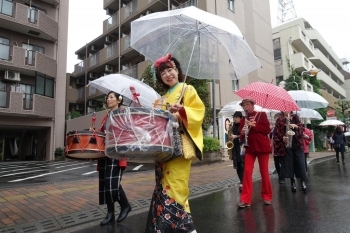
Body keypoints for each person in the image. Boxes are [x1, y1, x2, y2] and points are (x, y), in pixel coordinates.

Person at [146, 54, 205, 232]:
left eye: (170, 70)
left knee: (176, 185)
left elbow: (198, 112)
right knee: (162, 185)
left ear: (177, 71)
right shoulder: (161, 99)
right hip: (163, 148)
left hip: (179, 147)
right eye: (162, 72)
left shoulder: (187, 89)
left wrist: (182, 112)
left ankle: (184, 228)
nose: (167, 74)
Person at [98, 91, 132, 226]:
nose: (108, 99)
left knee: (112, 184)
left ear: (119, 100)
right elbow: (102, 135)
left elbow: (128, 132)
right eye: (107, 97)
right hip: (105, 154)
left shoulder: (123, 114)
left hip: (117, 153)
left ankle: (125, 205)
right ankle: (110, 213)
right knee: (105, 184)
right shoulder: (105, 117)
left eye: (111, 97)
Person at [236, 98, 272, 208]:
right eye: (244, 105)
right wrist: (242, 132)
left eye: (247, 104)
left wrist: (255, 125)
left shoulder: (262, 115)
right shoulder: (243, 120)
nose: (246, 106)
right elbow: (242, 137)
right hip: (250, 148)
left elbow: (267, 130)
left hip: (262, 147)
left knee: (264, 172)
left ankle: (267, 196)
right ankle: (245, 200)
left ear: (253, 105)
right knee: (247, 171)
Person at [273, 111, 307, 193]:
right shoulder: (280, 120)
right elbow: (276, 133)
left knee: (300, 163)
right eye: (285, 109)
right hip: (287, 145)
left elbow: (302, 130)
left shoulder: (296, 118)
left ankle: (303, 181)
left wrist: (296, 126)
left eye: (288, 109)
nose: (286, 110)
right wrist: (282, 138)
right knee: (289, 163)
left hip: (297, 144)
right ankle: (293, 182)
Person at [228, 111, 244, 192]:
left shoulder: (243, 125)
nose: (235, 119)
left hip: (242, 147)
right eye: (234, 117)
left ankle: (243, 182)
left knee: (242, 165)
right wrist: (231, 137)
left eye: (236, 117)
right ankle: (241, 181)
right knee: (237, 166)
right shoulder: (232, 126)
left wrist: (236, 136)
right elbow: (230, 136)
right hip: (235, 147)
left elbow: (244, 136)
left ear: (240, 118)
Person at [271, 113, 285, 184]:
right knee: (276, 162)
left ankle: (282, 177)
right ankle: (280, 175)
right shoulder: (274, 128)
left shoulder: (282, 126)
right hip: (275, 148)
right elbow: (271, 137)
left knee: (282, 162)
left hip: (282, 147)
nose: (276, 120)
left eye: (277, 118)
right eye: (275, 118)